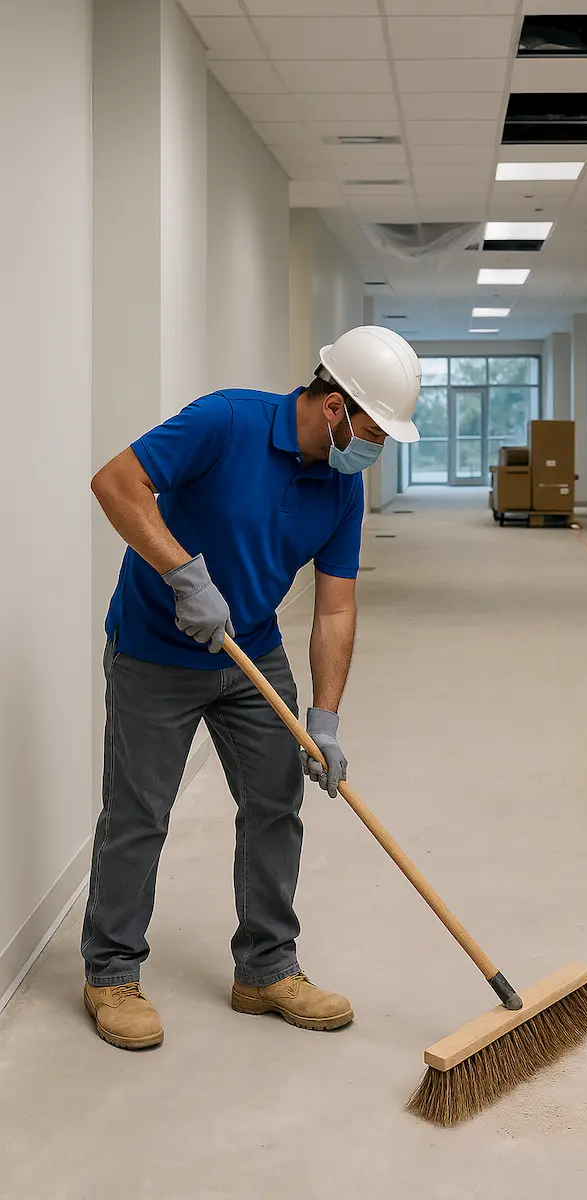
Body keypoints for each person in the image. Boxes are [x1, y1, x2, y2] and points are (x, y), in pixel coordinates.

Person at [81, 326, 421, 1050]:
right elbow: (116, 482)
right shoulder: (226, 420)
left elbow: (336, 605)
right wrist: (181, 573)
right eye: (374, 431)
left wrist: (325, 719)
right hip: (154, 649)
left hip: (251, 652)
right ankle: (111, 972)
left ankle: (265, 968)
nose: (377, 449)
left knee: (276, 803)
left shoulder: (342, 486)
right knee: (139, 814)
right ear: (334, 407)